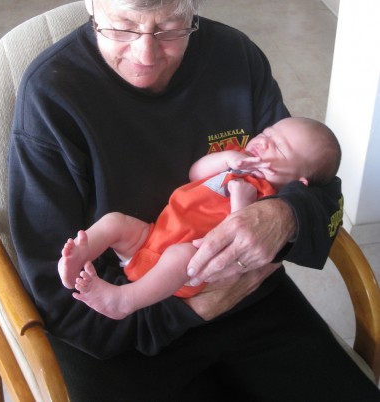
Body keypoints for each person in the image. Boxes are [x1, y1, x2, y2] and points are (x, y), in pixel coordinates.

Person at [8, 0, 380, 401]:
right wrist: (188, 309)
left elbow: (320, 188)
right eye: (120, 27)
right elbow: (55, 293)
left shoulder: (236, 59)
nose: (144, 54)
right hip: (125, 331)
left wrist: (285, 217)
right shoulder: (51, 98)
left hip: (250, 301)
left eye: (171, 28)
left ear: (196, 1)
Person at [58, 117, 342, 320]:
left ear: (298, 183)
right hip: (151, 236)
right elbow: (196, 173)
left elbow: (238, 238)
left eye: (278, 148)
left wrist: (242, 199)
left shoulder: (268, 197)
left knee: (181, 255)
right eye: (267, 133)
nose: (264, 142)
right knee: (114, 222)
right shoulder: (238, 162)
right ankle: (81, 255)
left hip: (187, 268)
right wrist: (227, 159)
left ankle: (124, 300)